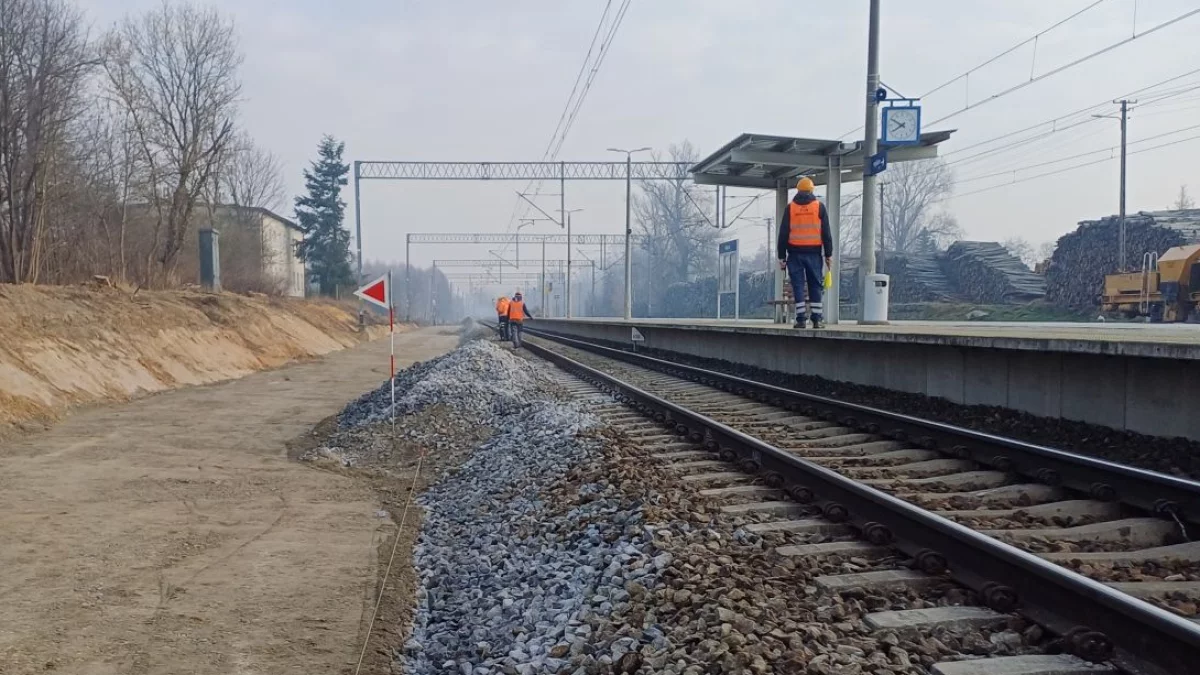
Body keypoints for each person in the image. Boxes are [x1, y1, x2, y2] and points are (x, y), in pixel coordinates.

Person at [777, 176, 832, 329]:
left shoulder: (790, 208)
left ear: (798, 190)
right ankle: (817, 319)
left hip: (794, 254)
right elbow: (826, 234)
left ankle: (800, 319)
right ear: (812, 190)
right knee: (815, 285)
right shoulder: (819, 207)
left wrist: (781, 256)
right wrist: (828, 254)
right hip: (814, 253)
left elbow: (783, 234)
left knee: (798, 285)